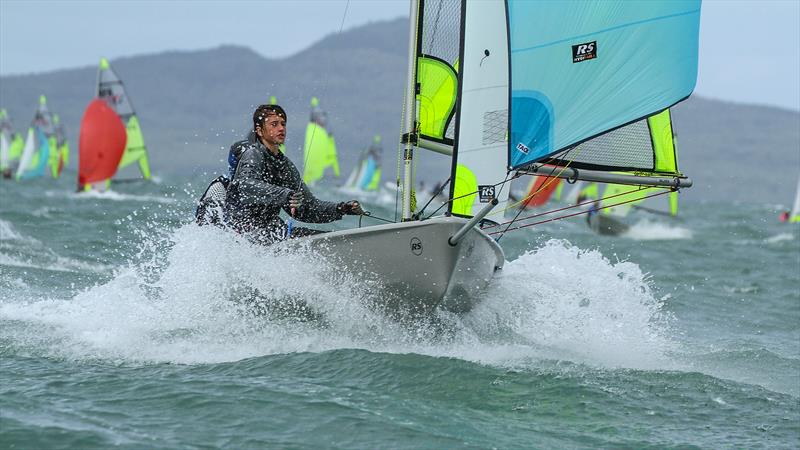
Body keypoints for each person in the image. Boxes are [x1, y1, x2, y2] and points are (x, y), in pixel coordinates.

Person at [224, 104, 363, 244]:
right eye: (274, 124)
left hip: (271, 231)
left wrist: (341, 208)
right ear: (259, 131)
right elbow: (245, 185)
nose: (281, 128)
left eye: (283, 124)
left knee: (330, 240)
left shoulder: (284, 165)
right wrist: (285, 195)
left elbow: (308, 209)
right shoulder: (253, 154)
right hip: (242, 233)